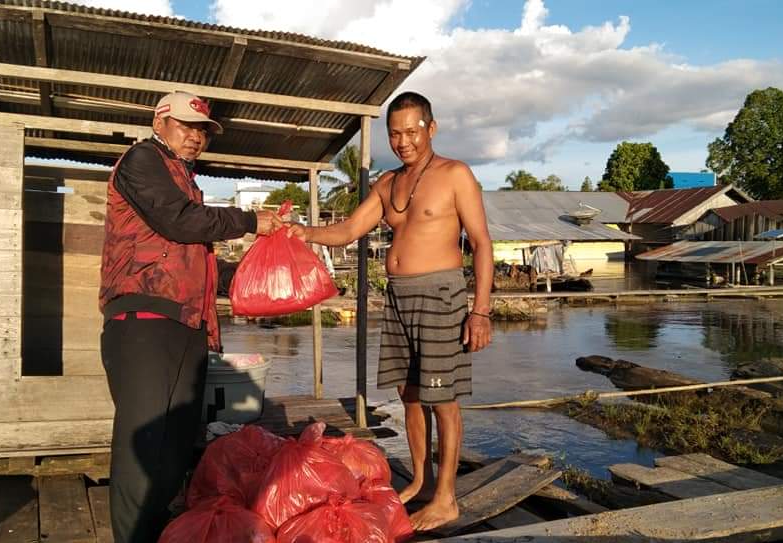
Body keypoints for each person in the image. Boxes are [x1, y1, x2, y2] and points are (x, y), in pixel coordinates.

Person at [287, 91, 493, 531]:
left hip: (441, 296)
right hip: (398, 297)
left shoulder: (455, 174)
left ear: (431, 128)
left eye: (412, 131)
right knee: (410, 394)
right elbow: (347, 230)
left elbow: (481, 243)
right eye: (395, 134)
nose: (404, 141)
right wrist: (302, 232)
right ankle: (420, 480)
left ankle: (447, 498)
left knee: (444, 400)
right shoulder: (387, 184)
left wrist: (480, 311)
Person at [98, 90, 282, 543]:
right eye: (186, 125)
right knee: (142, 444)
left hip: (187, 324)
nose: (195, 136)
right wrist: (250, 220)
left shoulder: (186, 178)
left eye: (202, 130)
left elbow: (194, 257)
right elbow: (180, 222)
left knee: (176, 445)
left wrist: (253, 276)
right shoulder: (144, 161)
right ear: (159, 122)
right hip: (143, 320)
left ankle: (159, 532)